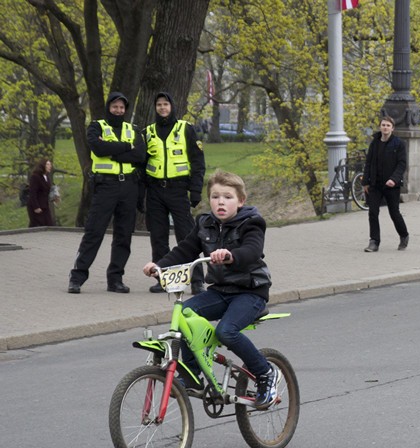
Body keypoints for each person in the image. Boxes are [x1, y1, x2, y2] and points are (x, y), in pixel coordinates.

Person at [142, 170, 278, 408]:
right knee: (184, 315)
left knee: (227, 331)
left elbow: (252, 251)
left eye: (227, 197)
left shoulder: (252, 223)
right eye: (215, 197)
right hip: (220, 291)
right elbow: (185, 250)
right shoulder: (204, 223)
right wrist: (159, 265)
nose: (221, 202)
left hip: (250, 292)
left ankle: (266, 372)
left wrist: (230, 255)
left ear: (241, 201)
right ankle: (192, 377)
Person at [68, 92, 146, 294]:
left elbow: (140, 154)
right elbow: (98, 148)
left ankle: (115, 279)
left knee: (124, 236)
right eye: (115, 107)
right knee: (94, 232)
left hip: (129, 187)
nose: (118, 111)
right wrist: (126, 147)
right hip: (106, 186)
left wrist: (115, 152)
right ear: (108, 108)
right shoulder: (96, 126)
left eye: (122, 108)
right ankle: (77, 276)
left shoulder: (133, 129)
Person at [144, 92, 206, 294]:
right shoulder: (148, 132)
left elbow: (198, 162)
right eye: (159, 104)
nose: (162, 108)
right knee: (158, 236)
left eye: (166, 104)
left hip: (178, 189)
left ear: (172, 107)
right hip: (155, 190)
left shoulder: (185, 128)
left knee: (187, 235)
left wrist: (195, 190)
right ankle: (164, 279)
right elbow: (141, 163)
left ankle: (197, 280)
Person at [361, 116, 410, 252]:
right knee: (373, 212)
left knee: (394, 213)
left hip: (391, 185)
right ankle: (374, 241)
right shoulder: (375, 143)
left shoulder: (398, 144)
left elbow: (402, 164)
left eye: (388, 125)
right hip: (375, 184)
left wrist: (393, 179)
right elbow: (368, 163)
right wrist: (365, 182)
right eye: (383, 125)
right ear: (380, 127)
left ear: (392, 128)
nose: (385, 127)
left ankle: (404, 235)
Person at [27, 158, 54, 227]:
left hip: (45, 206)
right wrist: (36, 207)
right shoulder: (35, 177)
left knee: (49, 225)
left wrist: (54, 197)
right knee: (37, 226)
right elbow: (32, 193)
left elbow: (46, 191)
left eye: (50, 164)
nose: (50, 166)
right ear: (42, 165)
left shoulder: (46, 177)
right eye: (48, 164)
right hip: (36, 206)